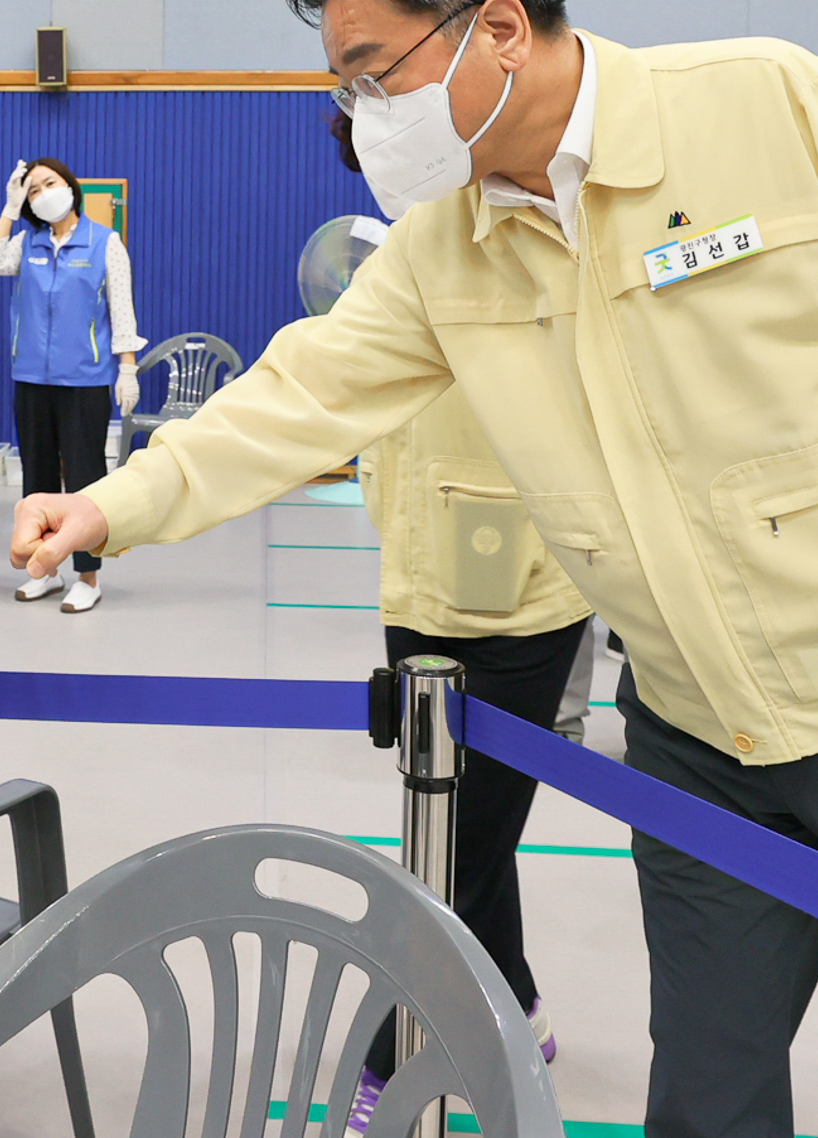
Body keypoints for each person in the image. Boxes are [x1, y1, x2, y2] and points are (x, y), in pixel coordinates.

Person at [10, 0, 818, 1138]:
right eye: (345, 89)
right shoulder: (446, 242)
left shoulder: (762, 104)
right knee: (706, 1090)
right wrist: (110, 504)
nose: (359, 116)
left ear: (498, 26)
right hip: (698, 740)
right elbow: (298, 392)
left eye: (372, 73)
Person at [357, 382, 586, 1102]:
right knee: (467, 830)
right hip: (418, 561)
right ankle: (517, 1001)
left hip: (522, 580)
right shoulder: (398, 274)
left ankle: (390, 1065)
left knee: (456, 850)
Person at [0, 158, 142, 615]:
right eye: (32, 190)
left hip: (85, 379)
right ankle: (44, 569)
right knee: (38, 477)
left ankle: (87, 576)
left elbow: (122, 309)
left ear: (70, 186)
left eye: (49, 183)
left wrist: (126, 368)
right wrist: (10, 208)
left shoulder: (105, 243)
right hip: (31, 376)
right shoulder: (25, 242)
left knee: (86, 479)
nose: (43, 193)